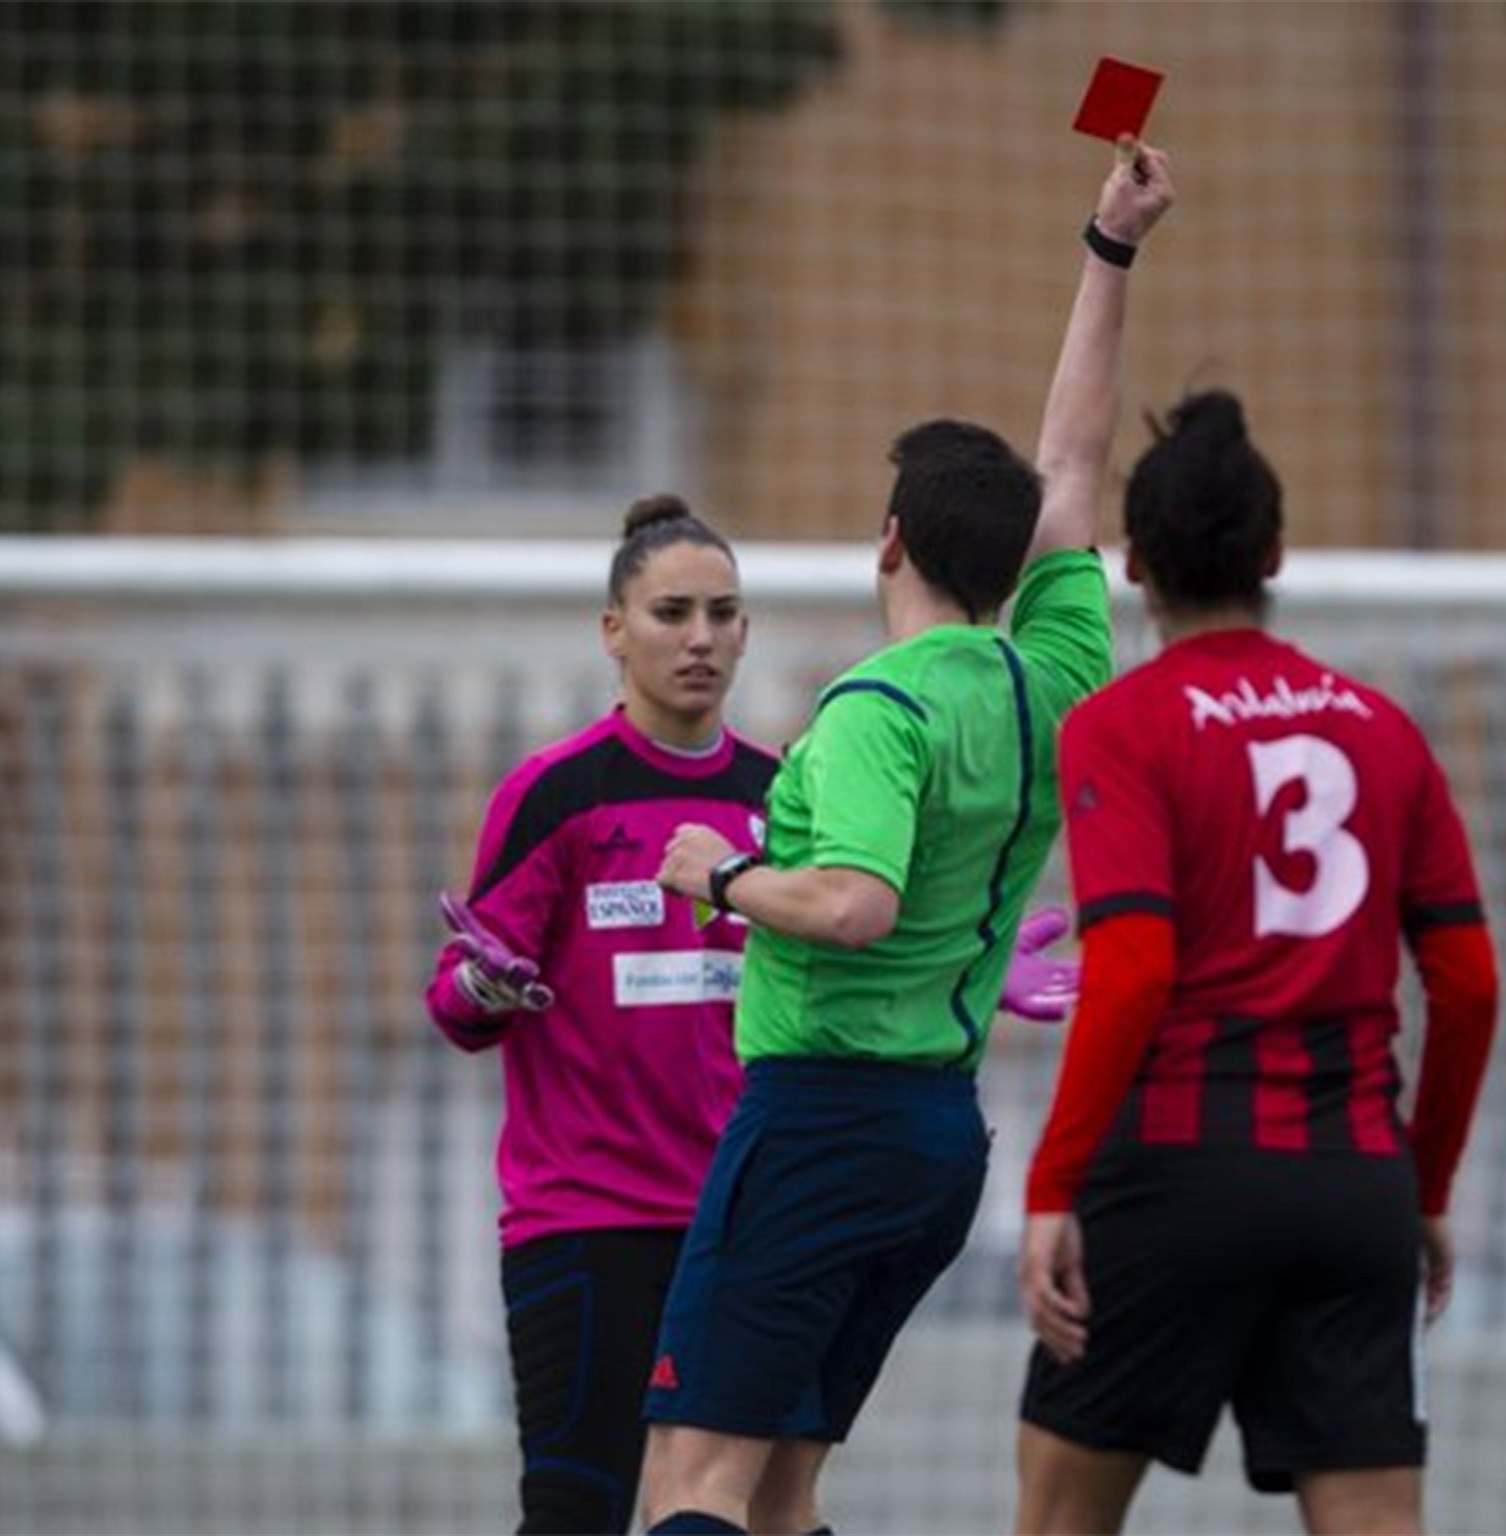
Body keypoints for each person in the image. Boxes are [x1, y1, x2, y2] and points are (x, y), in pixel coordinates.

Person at [635, 137, 1177, 1536]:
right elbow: (1074, 457)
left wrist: (726, 873)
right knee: (784, 1490)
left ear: (888, 541)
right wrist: (1107, 251)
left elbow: (860, 901)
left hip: (820, 1119)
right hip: (939, 1136)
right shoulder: (1053, 671)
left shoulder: (875, 707)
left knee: (687, 1482)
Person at [1013, 391, 1503, 1536]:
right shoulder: (1381, 729)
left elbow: (1129, 969)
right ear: (1273, 553)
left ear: (1132, 565)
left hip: (1175, 1172)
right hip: (1350, 1176)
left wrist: (1050, 1187)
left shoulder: (1124, 724)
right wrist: (1419, 1185)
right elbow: (1470, 987)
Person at [422, 495, 779, 1536]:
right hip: (586, 1224)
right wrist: (480, 987)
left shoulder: (785, 793)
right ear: (613, 632)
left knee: (751, 1509)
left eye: (722, 612)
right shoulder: (553, 795)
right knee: (578, 1509)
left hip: (743, 1223)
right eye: (672, 612)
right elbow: (459, 998)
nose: (701, 637)